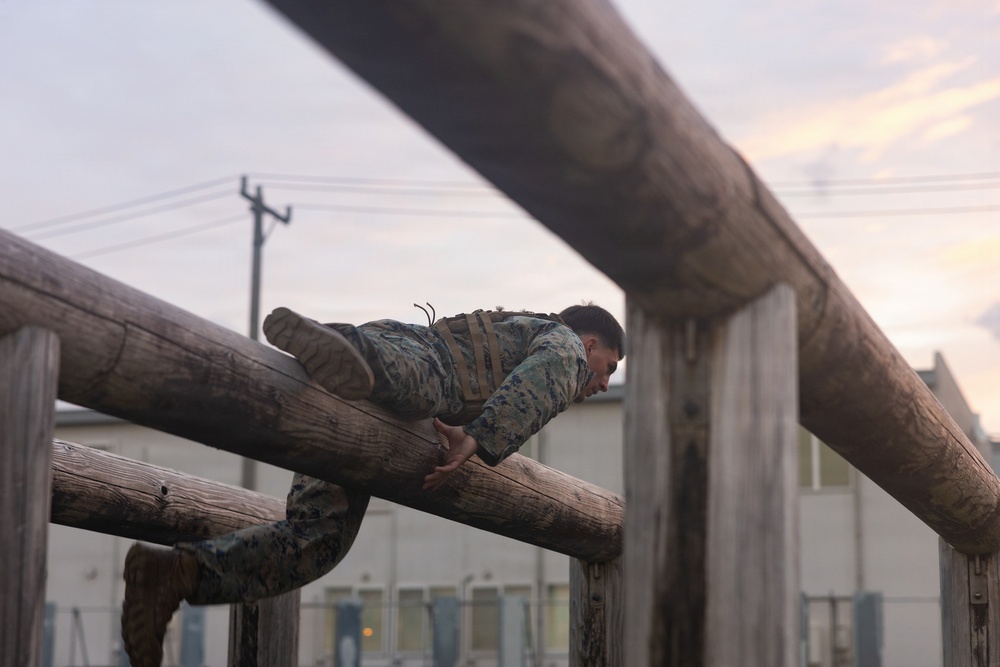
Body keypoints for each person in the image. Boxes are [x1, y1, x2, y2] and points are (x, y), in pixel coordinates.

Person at [121, 303, 624, 667]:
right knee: (425, 384)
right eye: (609, 368)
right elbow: (550, 372)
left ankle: (176, 574)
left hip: (371, 398)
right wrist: (477, 439)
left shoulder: (534, 343)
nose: (603, 382)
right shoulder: (564, 344)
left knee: (318, 540)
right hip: (410, 356)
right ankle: (341, 347)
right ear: (591, 344)